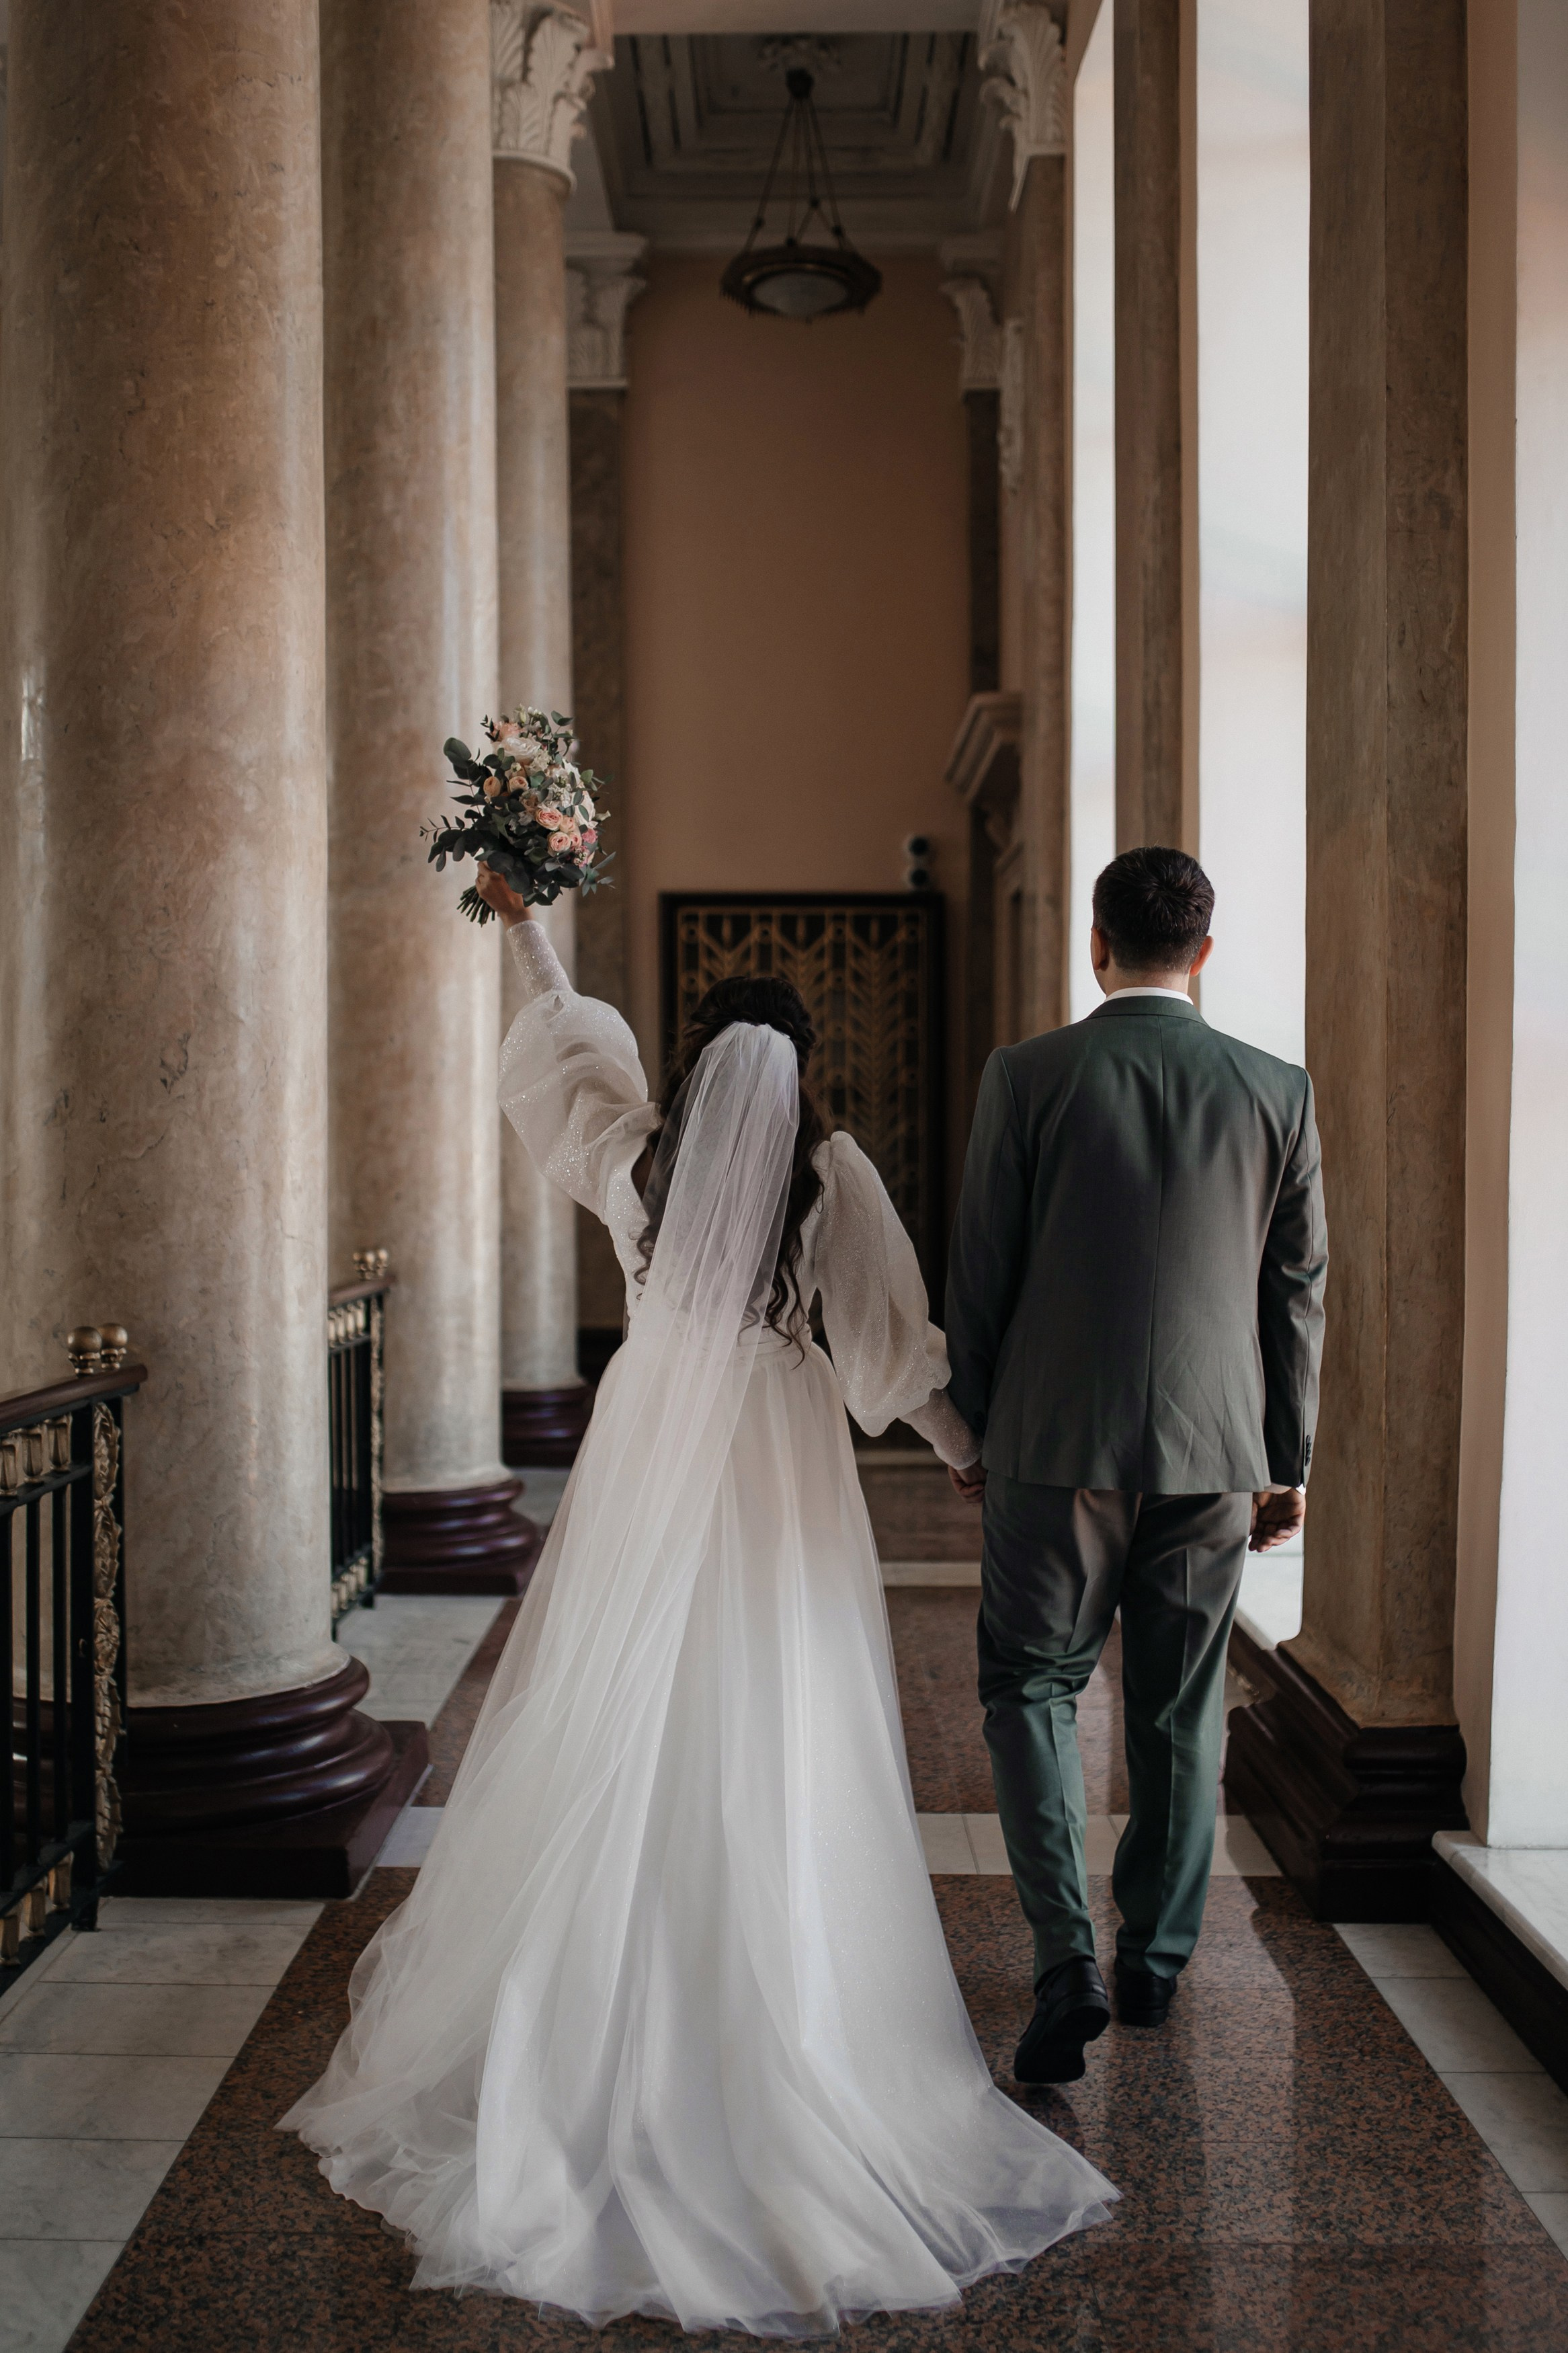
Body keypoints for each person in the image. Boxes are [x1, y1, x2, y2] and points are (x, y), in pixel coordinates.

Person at [282, 863, 1114, 2336]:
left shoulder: (637, 1161)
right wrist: (969, 1448)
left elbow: (565, 1047)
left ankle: (599, 2013)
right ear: (796, 1072)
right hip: (779, 1470)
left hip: (654, 1459)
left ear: (700, 1067)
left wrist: (527, 919)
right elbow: (883, 1349)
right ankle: (777, 2005)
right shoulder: (832, 1171)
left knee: (638, 1707)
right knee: (775, 1700)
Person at [944, 846, 1327, 2089]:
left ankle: (1065, 1960)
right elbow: (1295, 1289)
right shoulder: (1276, 1089)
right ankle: (1153, 1960)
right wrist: (1286, 1456)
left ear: (1093, 946)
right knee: (1178, 1703)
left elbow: (982, 1267)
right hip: (1215, 1446)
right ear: (1202, 955)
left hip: (1051, 1441)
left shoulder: (1029, 1076)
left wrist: (975, 1426)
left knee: (1031, 1689)